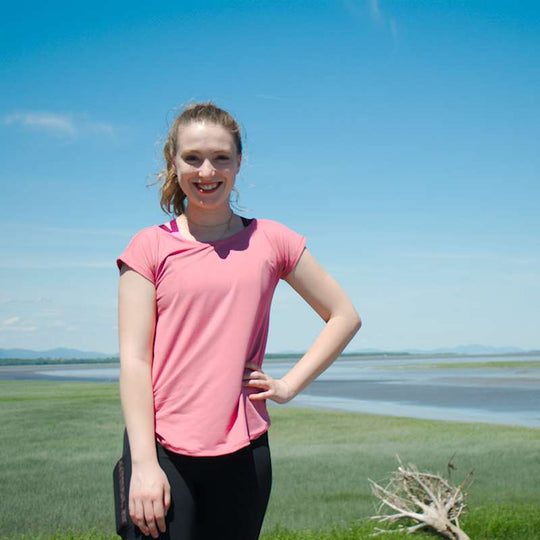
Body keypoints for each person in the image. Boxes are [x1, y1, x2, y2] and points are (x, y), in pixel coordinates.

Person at [116, 102, 361, 540]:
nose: (206, 170)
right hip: (162, 452)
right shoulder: (148, 247)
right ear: (174, 161)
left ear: (238, 163)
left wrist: (288, 386)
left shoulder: (272, 240)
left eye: (220, 157)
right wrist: (144, 465)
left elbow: (344, 316)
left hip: (245, 453)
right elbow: (135, 360)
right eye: (192, 157)